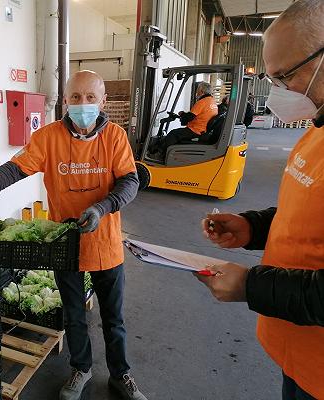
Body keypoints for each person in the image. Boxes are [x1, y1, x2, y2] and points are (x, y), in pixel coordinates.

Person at [0, 70, 147, 400]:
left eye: (89, 98)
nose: (82, 104)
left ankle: (121, 374)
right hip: (64, 244)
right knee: (73, 314)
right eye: (74, 97)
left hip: (106, 244)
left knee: (113, 318)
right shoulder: (48, 137)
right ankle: (81, 369)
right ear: (65, 101)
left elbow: (130, 183)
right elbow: (13, 170)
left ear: (102, 102)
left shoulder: (114, 137)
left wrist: (101, 208)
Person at [195, 1, 324, 399]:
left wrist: (251, 285)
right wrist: (254, 226)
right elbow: (303, 216)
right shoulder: (315, 130)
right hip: (297, 355)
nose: (280, 91)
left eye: (285, 76)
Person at [150, 81, 218, 156]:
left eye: (197, 90)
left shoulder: (202, 102)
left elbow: (189, 118)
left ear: (201, 91)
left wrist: (182, 115)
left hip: (196, 130)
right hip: (204, 130)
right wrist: (183, 115)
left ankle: (160, 153)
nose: (196, 92)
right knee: (178, 133)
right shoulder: (212, 102)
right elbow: (195, 115)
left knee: (173, 134)